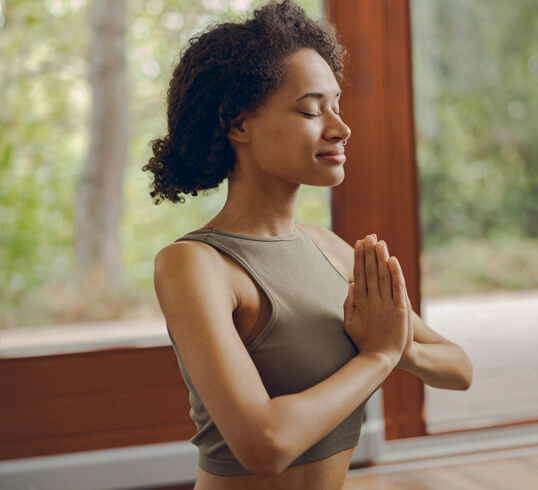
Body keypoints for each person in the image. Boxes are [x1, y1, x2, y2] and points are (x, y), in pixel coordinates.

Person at [143, 2, 473, 489]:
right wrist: (378, 357)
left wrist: (400, 348)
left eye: (336, 105)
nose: (340, 128)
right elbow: (265, 444)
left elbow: (458, 367)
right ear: (238, 124)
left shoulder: (332, 250)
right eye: (310, 110)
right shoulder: (195, 265)